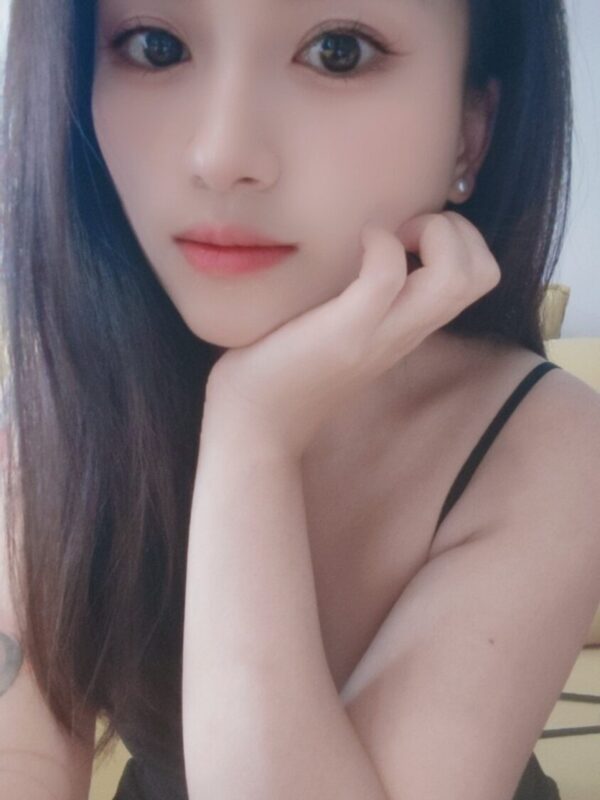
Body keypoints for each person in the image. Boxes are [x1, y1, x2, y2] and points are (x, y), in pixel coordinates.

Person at [1, 0, 600, 798]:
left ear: (470, 130)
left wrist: (252, 434)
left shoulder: (552, 444)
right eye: (156, 46)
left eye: (338, 52)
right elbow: (24, 756)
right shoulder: (63, 394)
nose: (221, 156)